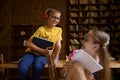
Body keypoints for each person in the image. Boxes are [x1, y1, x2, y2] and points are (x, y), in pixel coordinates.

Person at [18, 8, 62, 80]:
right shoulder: (41, 29)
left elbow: (58, 45)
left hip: (45, 55)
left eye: (57, 18)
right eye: (53, 17)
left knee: (37, 67)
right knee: (22, 69)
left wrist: (55, 59)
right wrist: (42, 51)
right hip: (32, 53)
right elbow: (28, 43)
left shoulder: (59, 30)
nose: (55, 19)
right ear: (46, 17)